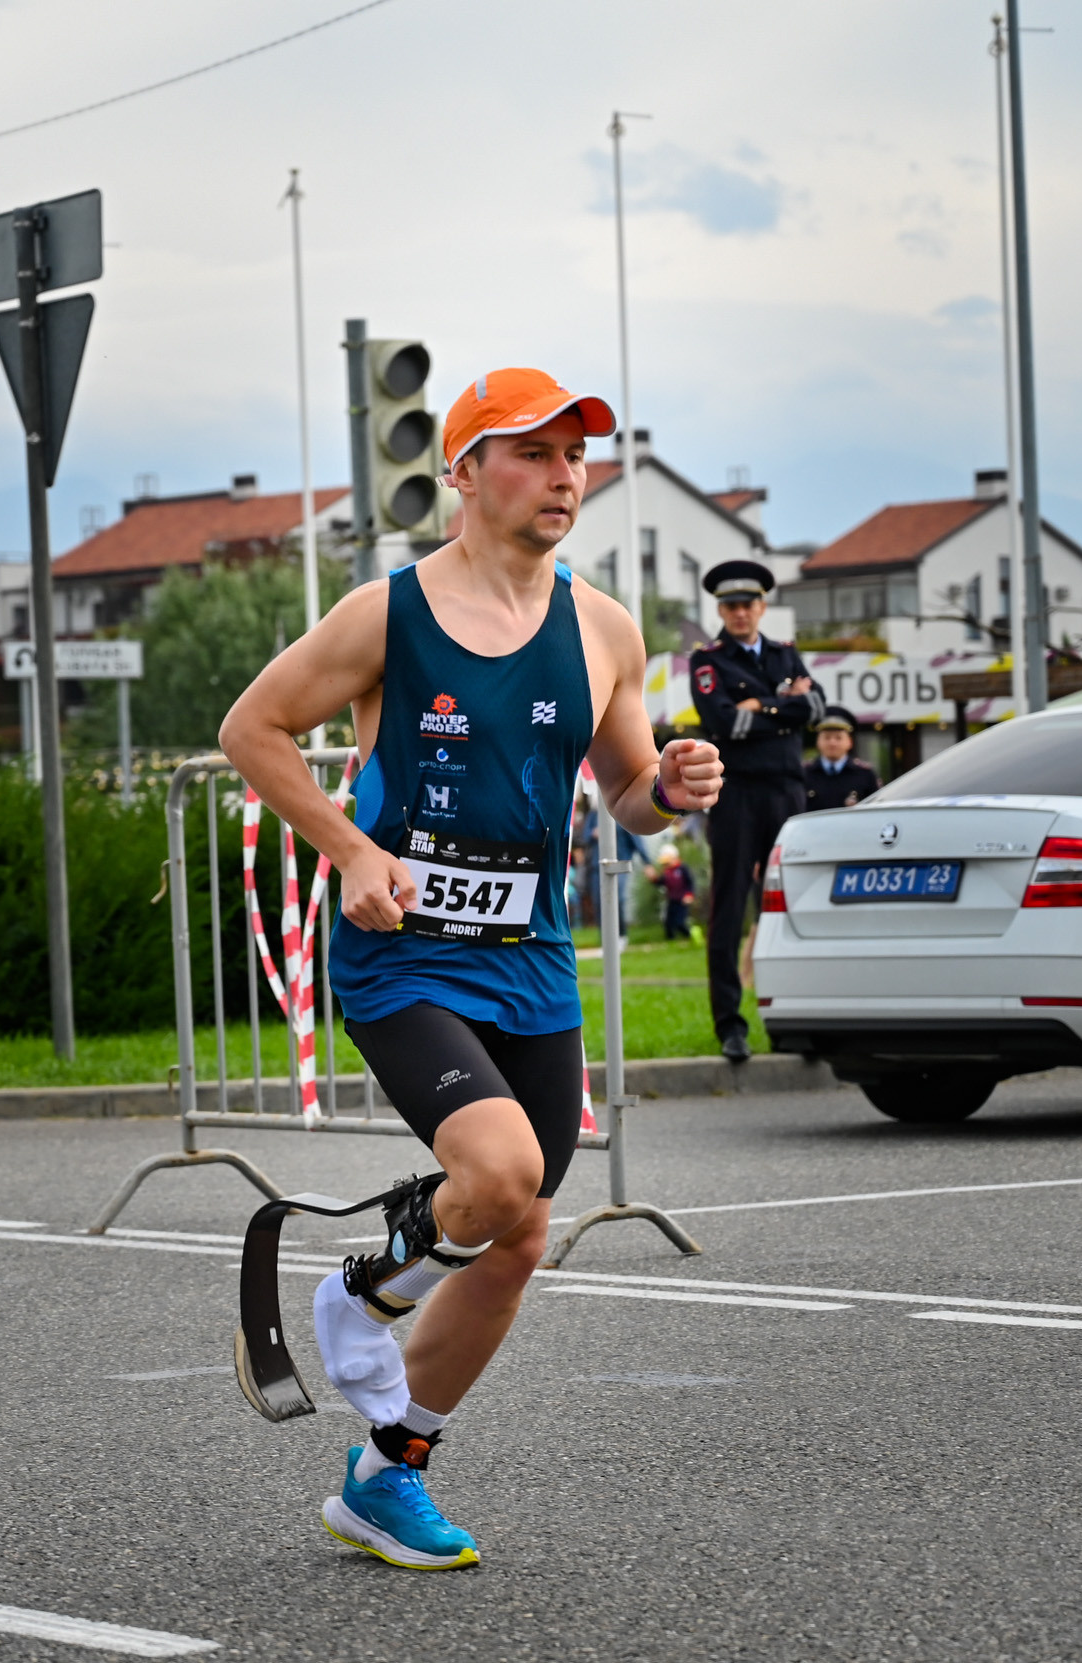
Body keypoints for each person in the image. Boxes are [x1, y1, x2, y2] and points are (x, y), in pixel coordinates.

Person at [219, 366, 724, 1571]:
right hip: (408, 958)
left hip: (531, 960)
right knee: (496, 1172)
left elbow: (625, 789)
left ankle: (387, 1475)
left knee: (520, 1225)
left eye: (574, 456)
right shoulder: (385, 613)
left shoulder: (602, 627)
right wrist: (348, 847)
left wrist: (673, 790)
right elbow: (252, 728)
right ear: (464, 472)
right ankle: (363, 1286)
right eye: (534, 453)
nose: (564, 475)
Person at [687, 559, 820, 1061]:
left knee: (794, 906)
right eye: (730, 606)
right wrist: (783, 707)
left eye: (748, 604)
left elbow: (818, 710)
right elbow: (721, 723)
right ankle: (731, 1026)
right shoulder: (708, 660)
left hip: (788, 792)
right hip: (737, 794)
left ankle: (800, 1019)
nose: (740, 613)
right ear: (720, 610)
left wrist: (759, 709)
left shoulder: (787, 654)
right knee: (730, 909)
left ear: (762, 607)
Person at [802, 706, 881, 813]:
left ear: (850, 742)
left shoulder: (865, 774)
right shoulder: (804, 773)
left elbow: (876, 811)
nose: (832, 743)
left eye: (838, 737)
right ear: (817, 742)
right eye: (827, 737)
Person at [653, 844, 696, 939]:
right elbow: (661, 882)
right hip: (672, 900)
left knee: (679, 921)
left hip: (682, 900)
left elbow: (690, 883)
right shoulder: (667, 872)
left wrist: (689, 895)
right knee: (668, 922)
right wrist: (654, 879)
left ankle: (690, 935)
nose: (666, 865)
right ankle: (670, 939)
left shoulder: (683, 869)